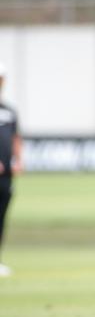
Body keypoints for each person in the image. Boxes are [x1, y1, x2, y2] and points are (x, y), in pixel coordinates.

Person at [0, 62, 23, 277]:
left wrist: (18, 160)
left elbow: (16, 138)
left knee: (1, 216)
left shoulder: (9, 111)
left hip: (5, 176)